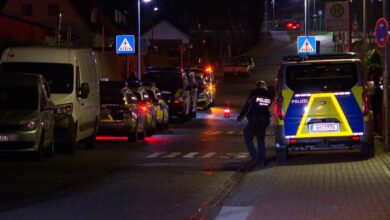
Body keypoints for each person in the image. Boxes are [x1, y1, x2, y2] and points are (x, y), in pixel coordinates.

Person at [237, 80, 273, 167]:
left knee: (247, 137)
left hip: (254, 120)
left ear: (257, 86)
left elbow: (247, 107)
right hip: (264, 121)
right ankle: (262, 161)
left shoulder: (253, 94)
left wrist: (240, 117)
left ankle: (255, 157)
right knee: (261, 141)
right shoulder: (269, 96)